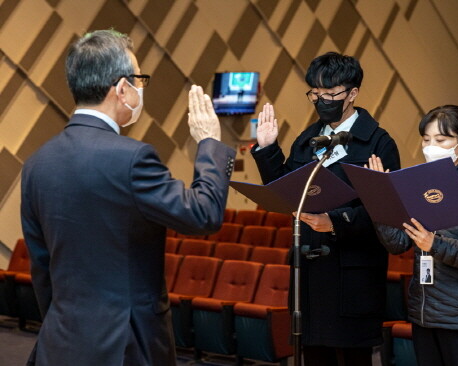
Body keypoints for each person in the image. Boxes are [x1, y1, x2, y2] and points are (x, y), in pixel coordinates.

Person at [20, 30, 236, 366]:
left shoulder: (36, 163)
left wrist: (64, 323)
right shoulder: (133, 158)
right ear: (122, 89)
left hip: (61, 340)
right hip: (128, 345)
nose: (140, 89)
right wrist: (209, 143)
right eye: (139, 80)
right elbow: (203, 215)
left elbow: (42, 267)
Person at [251, 52, 400, 366]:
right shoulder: (307, 139)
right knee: (314, 357)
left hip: (352, 277)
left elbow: (386, 213)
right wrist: (267, 148)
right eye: (315, 94)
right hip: (311, 274)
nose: (321, 101)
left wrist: (335, 222)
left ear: (352, 93)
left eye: (330, 94)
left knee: (352, 359)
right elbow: (286, 190)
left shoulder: (378, 143)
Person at [370, 105, 458, 366]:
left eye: (441, 140)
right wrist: (381, 200)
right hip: (425, 315)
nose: (431, 146)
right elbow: (397, 244)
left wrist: (435, 244)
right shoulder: (419, 182)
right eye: (426, 139)